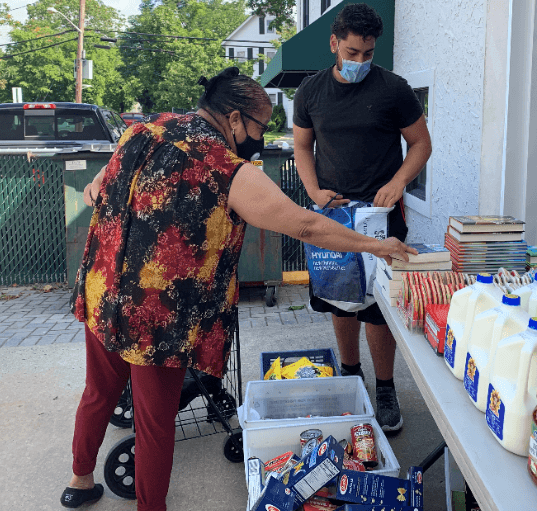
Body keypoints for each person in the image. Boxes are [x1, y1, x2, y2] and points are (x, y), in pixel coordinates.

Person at [61, 67, 416, 511]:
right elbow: (306, 225)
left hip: (105, 292)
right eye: (260, 126)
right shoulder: (225, 167)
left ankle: (79, 480)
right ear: (232, 119)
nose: (260, 137)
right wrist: (376, 246)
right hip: (159, 315)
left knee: (98, 392)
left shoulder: (142, 131)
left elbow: (102, 185)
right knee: (155, 423)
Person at [293, 3, 432, 432]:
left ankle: (386, 387)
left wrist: (399, 182)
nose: (360, 62)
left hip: (381, 213)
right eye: (352, 53)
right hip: (333, 213)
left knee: (379, 306)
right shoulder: (310, 92)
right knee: (341, 297)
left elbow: (421, 144)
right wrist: (313, 191)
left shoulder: (394, 89)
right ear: (334, 43)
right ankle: (351, 374)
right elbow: (301, 147)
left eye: (368, 54)